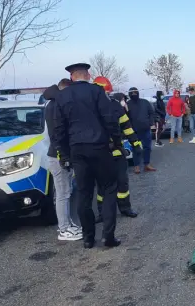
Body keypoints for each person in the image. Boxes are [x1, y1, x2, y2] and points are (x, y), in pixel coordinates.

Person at [51, 62, 122, 249]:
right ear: (88, 75)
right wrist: (116, 142)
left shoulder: (62, 96)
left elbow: (59, 130)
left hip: (77, 151)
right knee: (108, 189)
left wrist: (64, 155)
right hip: (99, 148)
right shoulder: (97, 92)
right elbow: (110, 119)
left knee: (84, 194)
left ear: (72, 77)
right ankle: (108, 237)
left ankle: (88, 238)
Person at [90, 79, 142, 221]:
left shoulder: (115, 106)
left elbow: (127, 126)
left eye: (107, 93)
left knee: (122, 182)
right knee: (102, 185)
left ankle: (125, 208)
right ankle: (101, 213)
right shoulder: (90, 107)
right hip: (101, 153)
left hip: (117, 151)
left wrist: (135, 143)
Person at [43, 79, 82, 241]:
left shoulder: (54, 104)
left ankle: (68, 224)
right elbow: (57, 135)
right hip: (58, 157)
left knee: (66, 192)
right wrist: (64, 157)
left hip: (61, 155)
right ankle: (64, 229)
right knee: (62, 193)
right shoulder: (54, 106)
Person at [126, 87, 156, 173]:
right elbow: (125, 117)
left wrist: (150, 123)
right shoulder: (127, 104)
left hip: (146, 129)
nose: (134, 95)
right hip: (134, 131)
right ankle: (136, 166)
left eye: (136, 93)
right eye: (132, 93)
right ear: (130, 94)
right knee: (135, 148)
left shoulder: (145, 102)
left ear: (138, 93)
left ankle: (147, 164)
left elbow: (151, 113)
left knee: (147, 148)